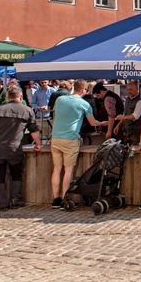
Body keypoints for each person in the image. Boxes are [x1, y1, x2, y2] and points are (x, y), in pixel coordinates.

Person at [0, 85, 40, 210]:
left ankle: (2, 202)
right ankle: (16, 199)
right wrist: (38, 143)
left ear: (8, 97)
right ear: (20, 97)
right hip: (14, 148)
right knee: (16, 174)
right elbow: (33, 130)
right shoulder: (27, 110)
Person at [49, 80, 103, 208]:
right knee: (68, 170)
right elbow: (93, 123)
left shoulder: (60, 100)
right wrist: (104, 123)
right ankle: (64, 198)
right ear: (84, 89)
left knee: (56, 169)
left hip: (55, 138)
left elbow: (56, 115)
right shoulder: (84, 104)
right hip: (70, 139)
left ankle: (55, 199)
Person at [115, 81, 141, 147]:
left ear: (137, 89)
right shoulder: (127, 100)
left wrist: (124, 117)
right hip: (126, 131)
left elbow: (135, 116)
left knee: (135, 151)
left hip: (136, 132)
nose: (129, 91)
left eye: (131, 89)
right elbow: (125, 114)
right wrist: (118, 125)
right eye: (128, 90)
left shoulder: (140, 101)